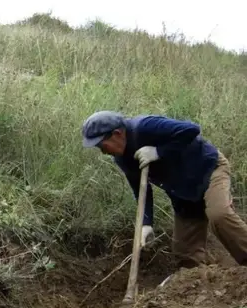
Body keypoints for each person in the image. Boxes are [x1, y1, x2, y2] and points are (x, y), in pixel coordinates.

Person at [81, 110, 247, 268]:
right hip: (182, 191)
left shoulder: (145, 126)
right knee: (186, 254)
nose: (103, 152)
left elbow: (191, 130)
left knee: (219, 215)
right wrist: (146, 224)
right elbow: (141, 189)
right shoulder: (122, 158)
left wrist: (159, 152)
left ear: (117, 133)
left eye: (102, 146)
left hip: (208, 170)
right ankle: (205, 283)